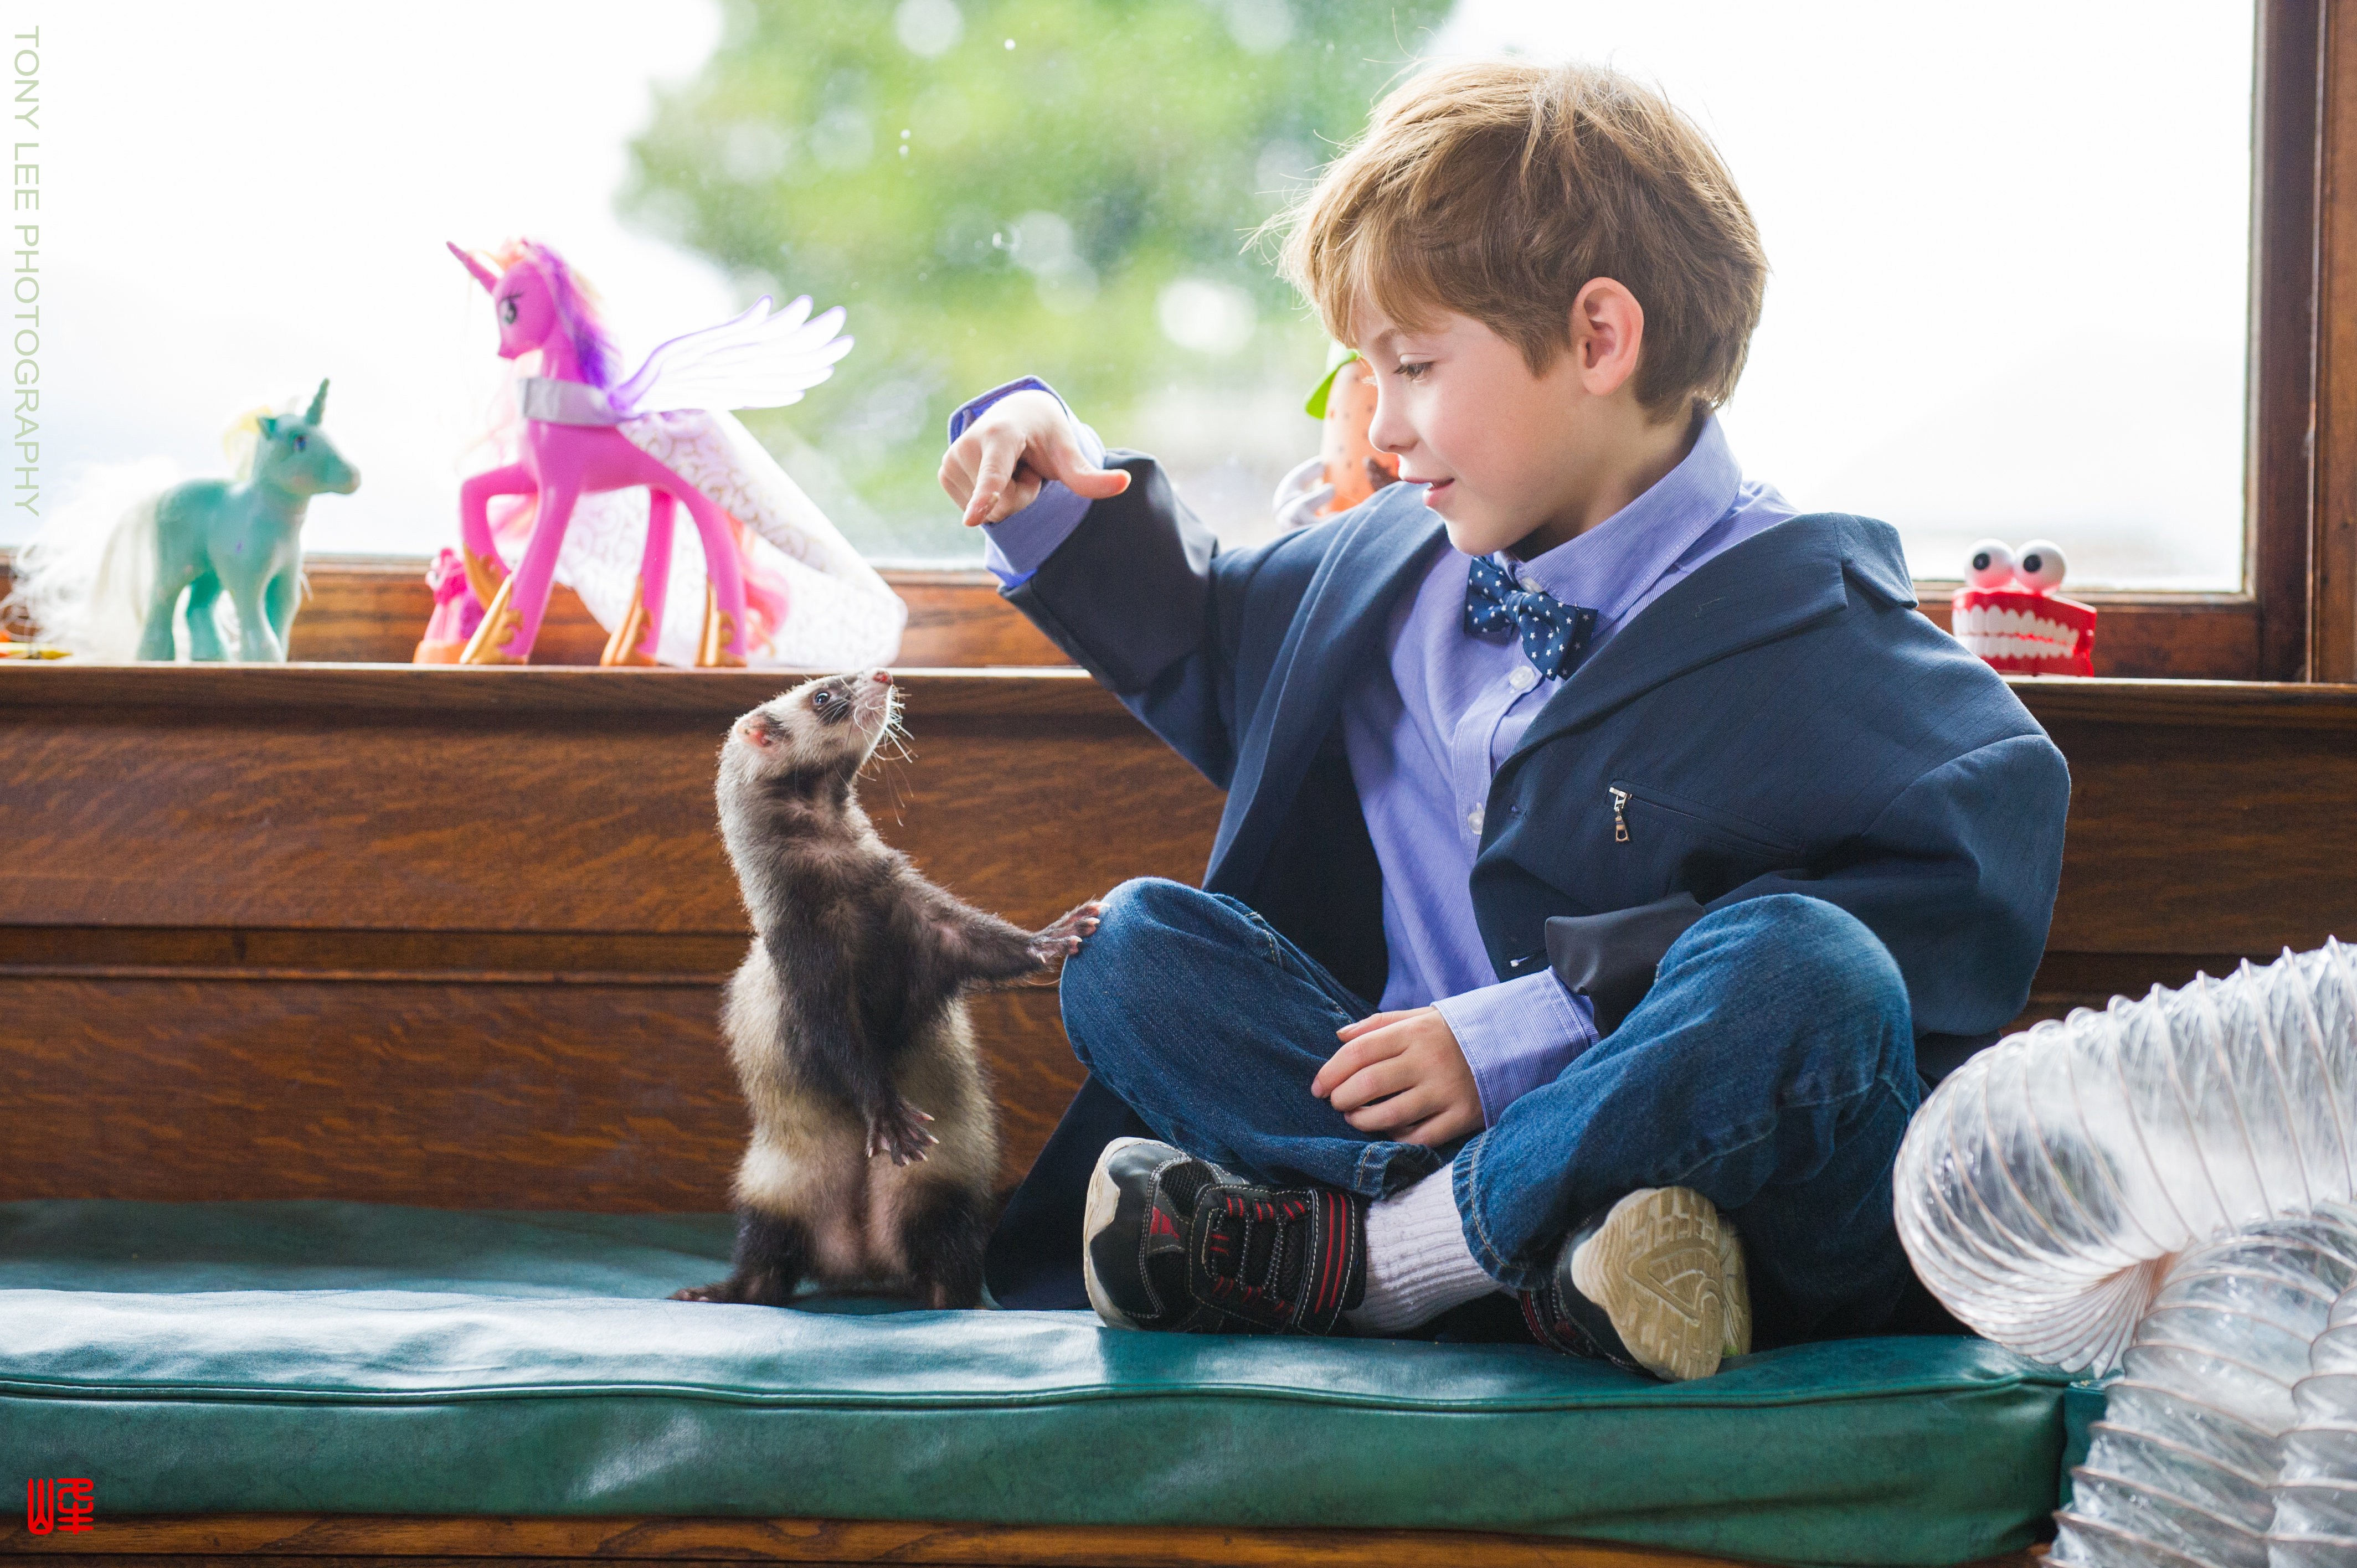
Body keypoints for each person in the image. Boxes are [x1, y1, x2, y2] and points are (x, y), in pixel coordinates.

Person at [935, 59, 2068, 1381]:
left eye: (1413, 365)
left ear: (1599, 340)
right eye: (1364, 370)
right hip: (1409, 1143)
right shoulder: (1387, 564)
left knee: (1804, 965)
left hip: (1737, 1212)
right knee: (1127, 946)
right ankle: (1512, 1270)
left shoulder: (1810, 626)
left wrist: (1534, 1032)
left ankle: (1376, 1267)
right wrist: (1048, 470)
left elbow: (1980, 834)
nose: (1387, 424)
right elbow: (1207, 637)